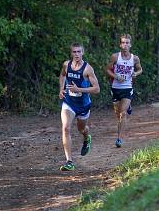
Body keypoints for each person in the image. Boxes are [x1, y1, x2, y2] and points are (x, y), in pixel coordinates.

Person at [58, 43, 100, 171]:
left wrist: (79, 89)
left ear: (83, 53)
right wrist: (61, 89)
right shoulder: (66, 65)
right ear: (71, 53)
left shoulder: (88, 69)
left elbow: (97, 89)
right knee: (65, 128)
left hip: (83, 105)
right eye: (74, 52)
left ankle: (87, 138)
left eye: (79, 52)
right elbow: (62, 75)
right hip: (69, 102)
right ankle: (69, 161)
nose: (76, 54)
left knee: (81, 129)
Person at [105, 34, 142, 148]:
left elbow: (140, 69)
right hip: (116, 88)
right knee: (118, 114)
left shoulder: (134, 58)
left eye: (127, 43)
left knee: (122, 113)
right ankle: (128, 107)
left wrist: (136, 73)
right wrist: (115, 76)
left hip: (127, 88)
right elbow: (107, 69)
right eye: (123, 43)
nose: (125, 45)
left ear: (130, 44)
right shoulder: (115, 57)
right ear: (120, 44)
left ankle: (119, 139)